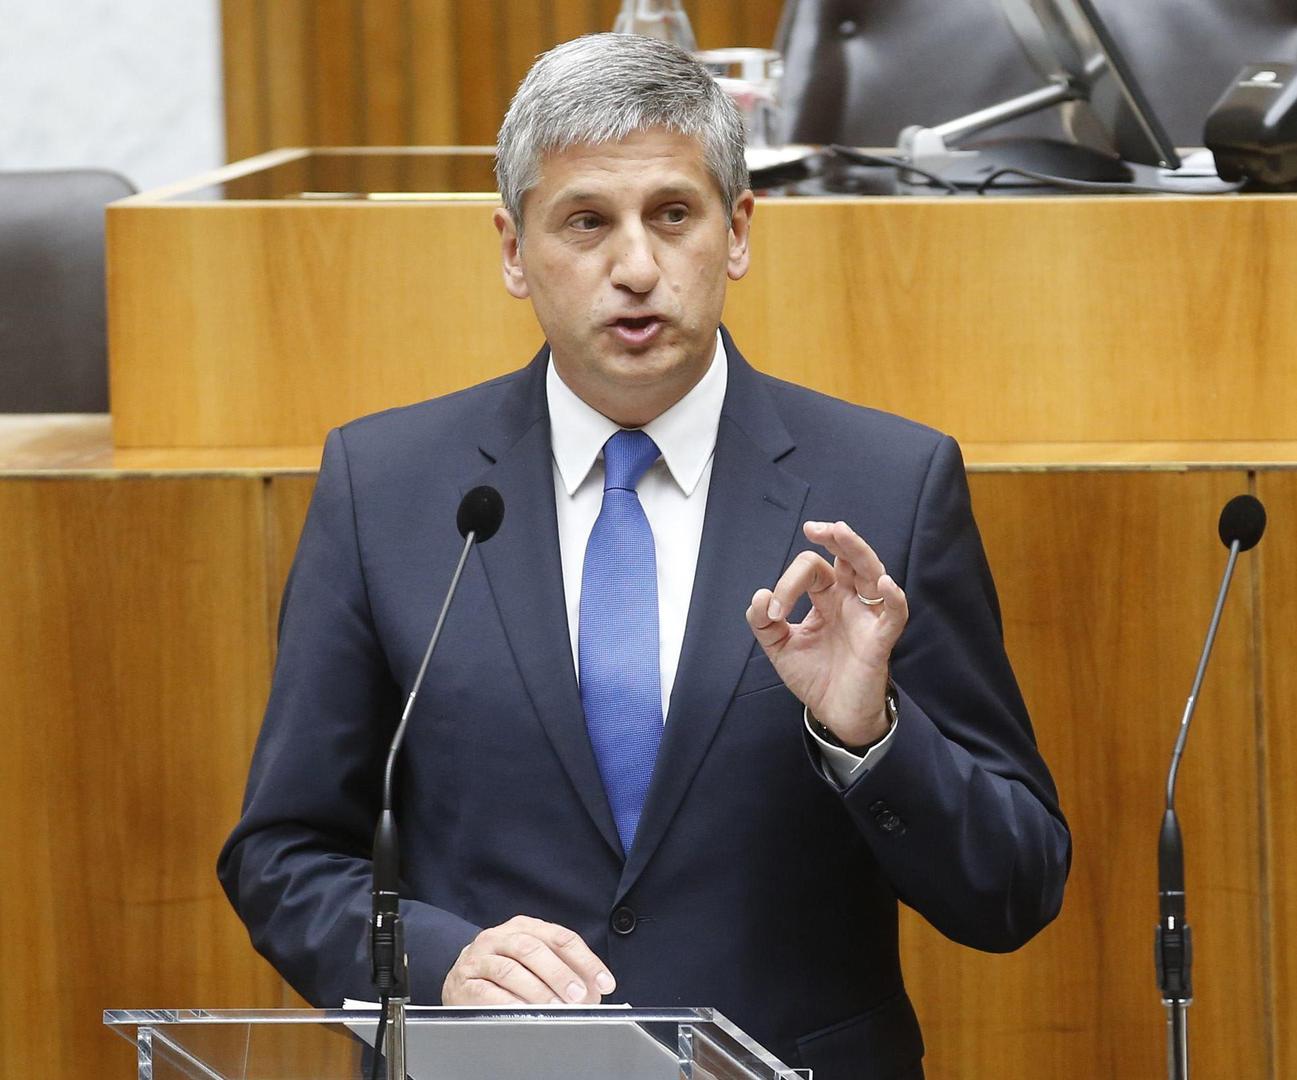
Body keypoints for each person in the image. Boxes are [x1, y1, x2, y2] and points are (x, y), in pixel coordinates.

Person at [218, 33, 1069, 1079]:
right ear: (512, 250)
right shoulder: (386, 487)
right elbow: (283, 854)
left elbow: (1013, 889)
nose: (634, 268)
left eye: (672, 214)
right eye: (585, 222)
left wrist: (869, 736)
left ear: (737, 231)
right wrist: (437, 965)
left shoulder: (887, 484)